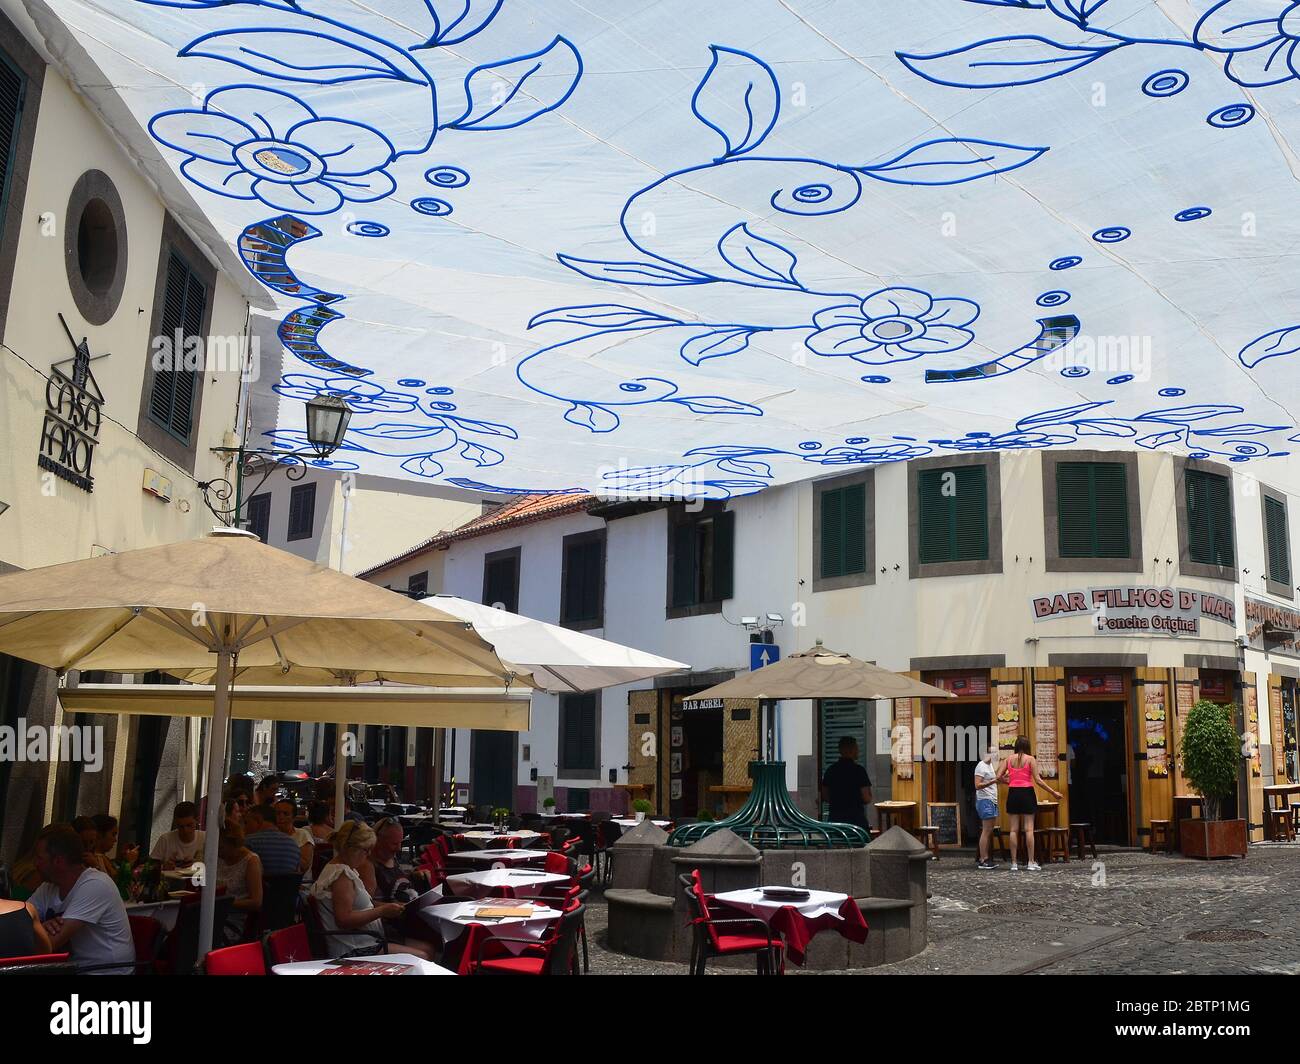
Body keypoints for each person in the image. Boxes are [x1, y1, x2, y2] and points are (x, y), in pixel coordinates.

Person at [309, 821, 430, 959]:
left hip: (365, 941)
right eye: (366, 850)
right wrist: (382, 911)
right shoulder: (341, 876)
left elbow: (359, 906)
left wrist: (390, 907)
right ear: (352, 848)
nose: (368, 854)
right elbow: (344, 919)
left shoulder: (342, 869)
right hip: (355, 948)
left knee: (425, 951)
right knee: (423, 956)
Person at [28, 825, 134, 974]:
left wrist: (35, 928)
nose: (35, 864)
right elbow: (18, 921)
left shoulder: (95, 885)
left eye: (39, 858)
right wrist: (40, 927)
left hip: (104, 973)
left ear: (58, 861)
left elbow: (48, 945)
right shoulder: (49, 887)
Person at [996, 737, 1063, 871]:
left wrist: (1009, 782)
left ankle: (1014, 863)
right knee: (1029, 829)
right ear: (1027, 746)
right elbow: (1038, 780)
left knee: (1014, 830)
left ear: (1016, 746)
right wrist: (1053, 792)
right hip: (1027, 793)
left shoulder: (1008, 759)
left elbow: (998, 777)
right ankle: (1031, 862)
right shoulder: (1031, 759)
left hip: (1013, 793)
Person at [216, 824, 263, 941]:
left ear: (234, 844)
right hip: (215, 915)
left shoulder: (251, 862)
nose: (217, 851)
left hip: (233, 920)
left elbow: (256, 902)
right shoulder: (218, 858)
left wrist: (224, 903)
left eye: (221, 847)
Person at [820, 736, 873, 829]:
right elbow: (866, 798)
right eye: (856, 748)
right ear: (852, 750)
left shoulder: (831, 770)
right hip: (856, 823)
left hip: (835, 823)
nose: (858, 751)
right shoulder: (859, 771)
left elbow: (824, 795)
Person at [242, 803, 304, 877]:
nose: (244, 828)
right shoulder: (293, 845)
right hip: (288, 888)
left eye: (246, 823)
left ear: (259, 820)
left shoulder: (248, 842)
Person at [150, 802, 205, 869]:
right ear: (176, 823)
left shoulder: (205, 838)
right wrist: (163, 866)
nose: (185, 830)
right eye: (181, 826)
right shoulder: (165, 839)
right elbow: (150, 866)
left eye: (189, 825)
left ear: (197, 820)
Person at [974, 744, 1001, 870]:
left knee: (989, 830)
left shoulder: (990, 765)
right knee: (986, 830)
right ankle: (983, 859)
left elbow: (993, 780)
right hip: (985, 800)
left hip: (992, 800)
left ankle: (986, 858)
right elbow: (977, 785)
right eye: (993, 752)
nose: (995, 755)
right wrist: (993, 781)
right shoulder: (981, 766)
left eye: (996, 752)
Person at [274, 799, 314, 875]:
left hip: (300, 882)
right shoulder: (270, 836)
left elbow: (304, 866)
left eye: (286, 814)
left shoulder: (303, 835)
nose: (281, 817)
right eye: (278, 813)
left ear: (294, 817)